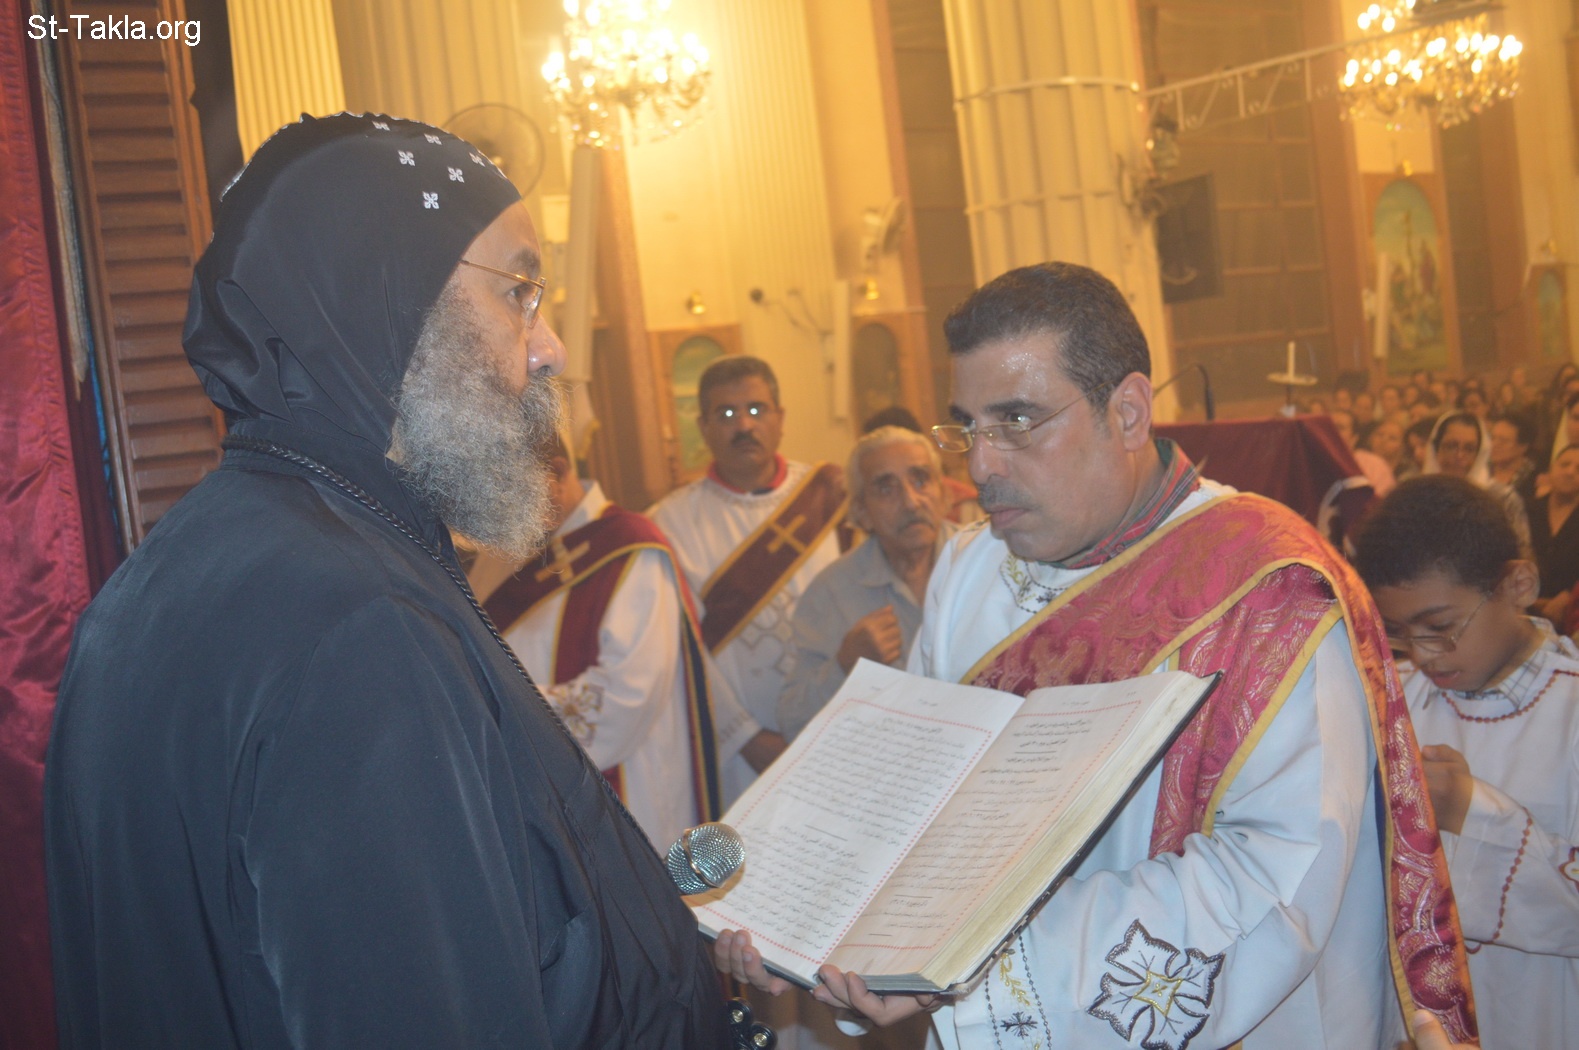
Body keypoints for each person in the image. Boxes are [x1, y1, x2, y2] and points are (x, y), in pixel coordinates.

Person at [44, 114, 727, 1047]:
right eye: (520, 292)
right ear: (384, 298)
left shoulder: (187, 563)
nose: (551, 350)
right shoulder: (362, 628)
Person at [717, 262, 1476, 1048]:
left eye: (1016, 421)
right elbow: (918, 788)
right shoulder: (970, 568)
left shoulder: (1267, 590)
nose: (978, 466)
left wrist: (986, 971)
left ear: (1128, 412)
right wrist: (811, 919)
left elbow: (1277, 875)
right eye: (966, 428)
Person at [1353, 475, 1579, 1049]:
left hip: (1541, 1015)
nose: (1423, 654)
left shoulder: (1570, 712)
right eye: (1400, 634)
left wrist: (1470, 813)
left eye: (1441, 627)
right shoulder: (1392, 698)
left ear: (1518, 584)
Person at [473, 435, 758, 849]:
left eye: (510, 489)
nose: (500, 510)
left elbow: (627, 697)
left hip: (623, 790)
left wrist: (498, 708)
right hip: (528, 791)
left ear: (557, 473)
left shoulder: (632, 551)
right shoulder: (498, 557)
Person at [648, 356, 845, 801]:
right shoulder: (669, 522)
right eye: (726, 414)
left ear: (780, 419)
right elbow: (679, 648)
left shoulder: (832, 498)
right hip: (739, 753)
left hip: (837, 727)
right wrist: (745, 737)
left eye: (757, 410)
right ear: (703, 427)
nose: (744, 426)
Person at [778, 426, 956, 739]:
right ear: (861, 511)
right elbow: (793, 722)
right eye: (886, 489)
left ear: (942, 492)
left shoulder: (989, 561)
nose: (911, 502)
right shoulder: (831, 592)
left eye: (921, 480)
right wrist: (844, 666)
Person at [1425, 411, 1533, 556]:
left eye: (1469, 449)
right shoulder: (1419, 496)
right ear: (1435, 449)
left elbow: (1522, 558)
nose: (1460, 455)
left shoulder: (1501, 498)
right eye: (1451, 446)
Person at [1530, 446, 1579, 621]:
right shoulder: (1528, 509)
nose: (1570, 472)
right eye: (1564, 464)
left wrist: (1570, 595)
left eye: (1578, 469)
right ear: (1551, 469)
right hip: (1522, 605)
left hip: (1568, 613)